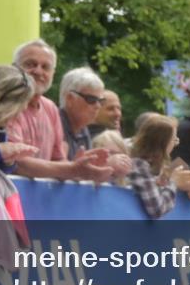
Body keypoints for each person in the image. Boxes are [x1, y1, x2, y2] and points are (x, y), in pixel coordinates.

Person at [7, 41, 114, 183]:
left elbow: (59, 160)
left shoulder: (50, 108)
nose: (38, 71)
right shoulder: (6, 103)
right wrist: (72, 169)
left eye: (45, 67)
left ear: (53, 73)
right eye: (30, 64)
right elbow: (15, 162)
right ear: (14, 68)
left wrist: (85, 168)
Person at [58, 67, 105, 161]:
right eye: (91, 100)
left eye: (100, 101)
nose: (98, 106)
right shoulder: (55, 124)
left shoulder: (83, 130)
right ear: (70, 99)